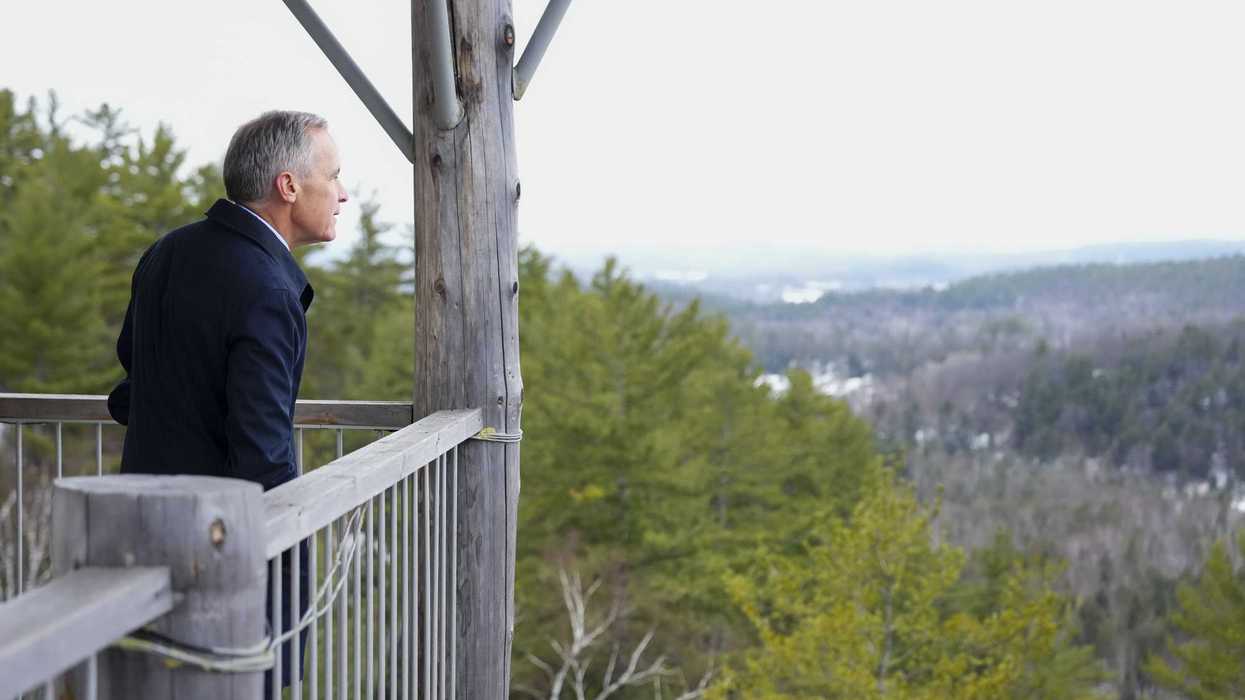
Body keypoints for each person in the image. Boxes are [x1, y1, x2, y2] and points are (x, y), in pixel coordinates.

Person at [107, 110, 347, 691]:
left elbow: (131, 384)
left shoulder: (168, 251)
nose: (342, 194)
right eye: (335, 177)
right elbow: (262, 451)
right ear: (288, 186)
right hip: (223, 553)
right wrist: (290, 553)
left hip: (143, 526)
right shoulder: (265, 285)